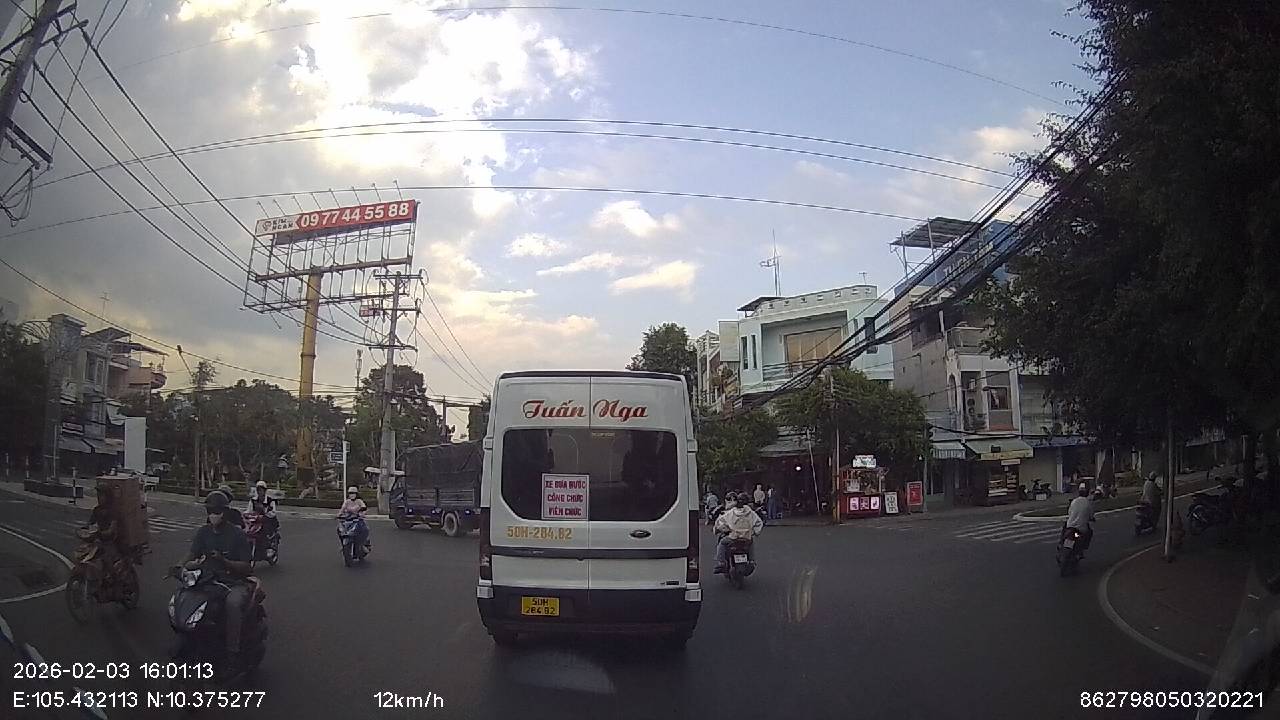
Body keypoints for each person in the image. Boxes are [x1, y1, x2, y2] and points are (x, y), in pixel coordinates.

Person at [183, 491, 253, 677]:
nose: (213, 515)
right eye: (210, 511)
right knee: (186, 597)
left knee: (232, 604)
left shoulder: (237, 534)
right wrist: (179, 566)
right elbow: (192, 555)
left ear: (225, 512)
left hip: (232, 583)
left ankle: (232, 655)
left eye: (217, 511)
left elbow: (247, 567)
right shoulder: (203, 532)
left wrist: (224, 561)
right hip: (207, 580)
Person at [713, 492, 764, 573]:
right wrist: (754, 532)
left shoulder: (732, 512)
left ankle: (721, 562)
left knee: (722, 543)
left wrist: (720, 529)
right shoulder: (751, 512)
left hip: (734, 537)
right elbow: (759, 523)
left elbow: (720, 522)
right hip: (746, 537)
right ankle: (751, 561)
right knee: (750, 542)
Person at [1063, 482, 1096, 555]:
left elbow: (1069, 512)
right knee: (1089, 533)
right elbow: (1091, 515)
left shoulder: (1074, 501)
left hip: (1070, 525)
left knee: (1064, 530)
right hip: (1081, 528)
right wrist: (1091, 518)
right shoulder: (1088, 503)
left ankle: (1061, 543)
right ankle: (1083, 548)